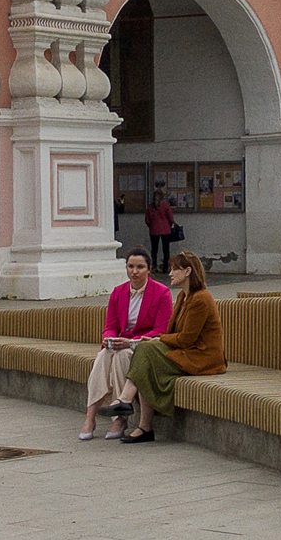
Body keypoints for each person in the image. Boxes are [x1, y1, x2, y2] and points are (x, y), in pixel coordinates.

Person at [117, 251, 222, 443]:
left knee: (145, 352)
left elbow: (186, 340)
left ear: (188, 271)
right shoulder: (183, 296)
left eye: (175, 269)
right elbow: (174, 333)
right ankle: (142, 424)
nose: (170, 273)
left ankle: (128, 404)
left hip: (202, 358)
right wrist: (158, 340)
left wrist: (159, 340)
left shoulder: (201, 298)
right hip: (186, 351)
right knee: (144, 354)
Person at [82, 249, 171, 440]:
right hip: (121, 343)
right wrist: (108, 338)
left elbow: (160, 330)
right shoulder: (118, 292)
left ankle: (120, 418)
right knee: (103, 355)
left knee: (122, 356)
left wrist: (131, 342)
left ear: (149, 269)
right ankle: (90, 416)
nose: (134, 271)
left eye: (140, 267)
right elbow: (111, 326)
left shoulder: (162, 293)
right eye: (130, 266)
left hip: (144, 345)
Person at [145, 189, 176, 271]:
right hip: (165, 230)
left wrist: (152, 226)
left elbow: (147, 220)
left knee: (154, 250)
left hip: (154, 230)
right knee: (166, 250)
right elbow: (170, 218)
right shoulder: (165, 206)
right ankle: (166, 267)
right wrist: (168, 225)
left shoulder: (150, 207)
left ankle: (154, 266)